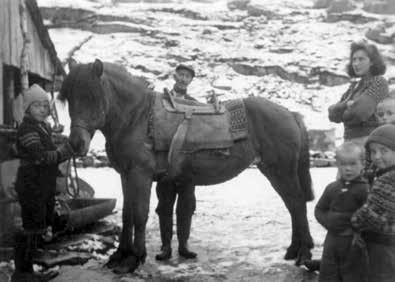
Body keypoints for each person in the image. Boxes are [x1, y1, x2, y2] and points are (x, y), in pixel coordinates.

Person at [12, 84, 74, 282]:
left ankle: (27, 270)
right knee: (30, 227)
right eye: (37, 105)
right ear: (27, 108)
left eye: (45, 106)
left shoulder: (42, 127)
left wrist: (63, 148)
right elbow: (39, 157)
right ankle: (22, 273)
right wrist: (64, 152)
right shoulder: (27, 129)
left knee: (38, 224)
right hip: (31, 184)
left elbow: (48, 152)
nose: (42, 109)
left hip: (42, 185)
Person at [155, 64, 198, 261]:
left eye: (187, 77)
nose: (183, 79)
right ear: (175, 76)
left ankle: (183, 245)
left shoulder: (195, 104)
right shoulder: (162, 100)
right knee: (165, 206)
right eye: (180, 75)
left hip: (187, 165)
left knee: (186, 206)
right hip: (165, 165)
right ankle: (165, 246)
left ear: (190, 81)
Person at [314, 142, 369, 281]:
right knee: (328, 273)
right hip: (332, 240)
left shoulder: (365, 190)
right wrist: (329, 222)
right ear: (337, 165)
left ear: (362, 164)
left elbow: (369, 215)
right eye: (343, 164)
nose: (348, 169)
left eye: (353, 164)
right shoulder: (332, 188)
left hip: (354, 243)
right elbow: (319, 209)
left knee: (354, 274)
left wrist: (355, 228)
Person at [351, 124, 395, 282]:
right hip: (385, 240)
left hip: (383, 241)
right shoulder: (382, 172)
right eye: (373, 151)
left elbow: (371, 214)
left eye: (384, 151)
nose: (377, 156)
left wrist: (355, 221)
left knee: (381, 275)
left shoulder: (389, 179)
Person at [328, 41, 389, 147]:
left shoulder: (379, 82)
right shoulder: (354, 87)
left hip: (369, 144)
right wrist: (347, 105)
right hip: (349, 144)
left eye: (361, 59)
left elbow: (360, 113)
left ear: (372, 62)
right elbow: (332, 115)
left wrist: (342, 111)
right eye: (354, 59)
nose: (356, 63)